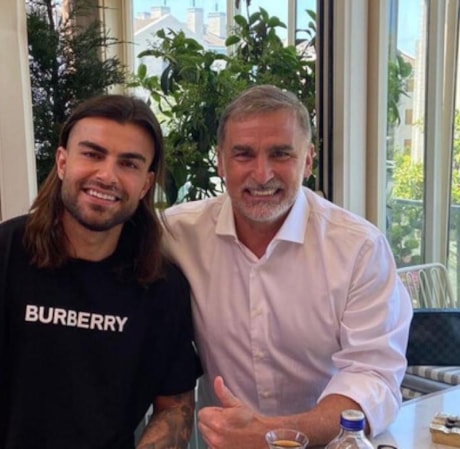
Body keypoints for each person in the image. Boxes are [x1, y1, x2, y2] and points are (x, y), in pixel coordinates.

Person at [0, 95, 202, 449]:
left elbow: (176, 406)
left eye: (128, 164)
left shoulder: (161, 285)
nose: (107, 175)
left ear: (145, 184)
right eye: (92, 154)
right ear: (62, 162)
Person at [162, 85, 412, 448]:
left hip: (330, 444)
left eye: (281, 154)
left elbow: (373, 375)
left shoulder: (359, 248)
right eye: (243, 154)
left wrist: (273, 435)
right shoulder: (177, 234)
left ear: (307, 161)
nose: (262, 175)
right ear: (220, 162)